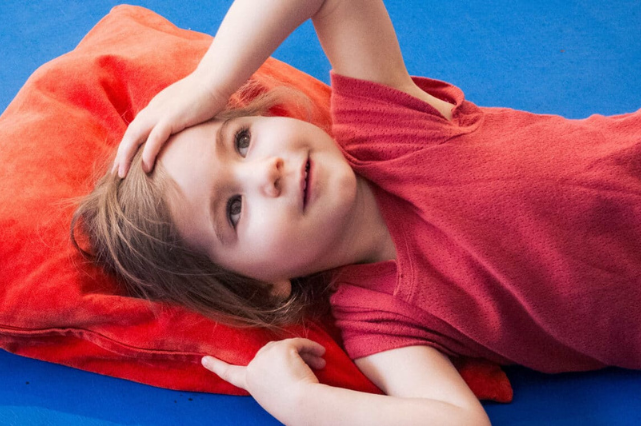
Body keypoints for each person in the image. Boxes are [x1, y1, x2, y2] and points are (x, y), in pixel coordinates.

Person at [72, 1, 641, 424]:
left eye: (242, 141)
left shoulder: (389, 130)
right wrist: (301, 403)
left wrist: (209, 81)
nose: (266, 171)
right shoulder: (378, 319)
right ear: (262, 285)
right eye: (235, 209)